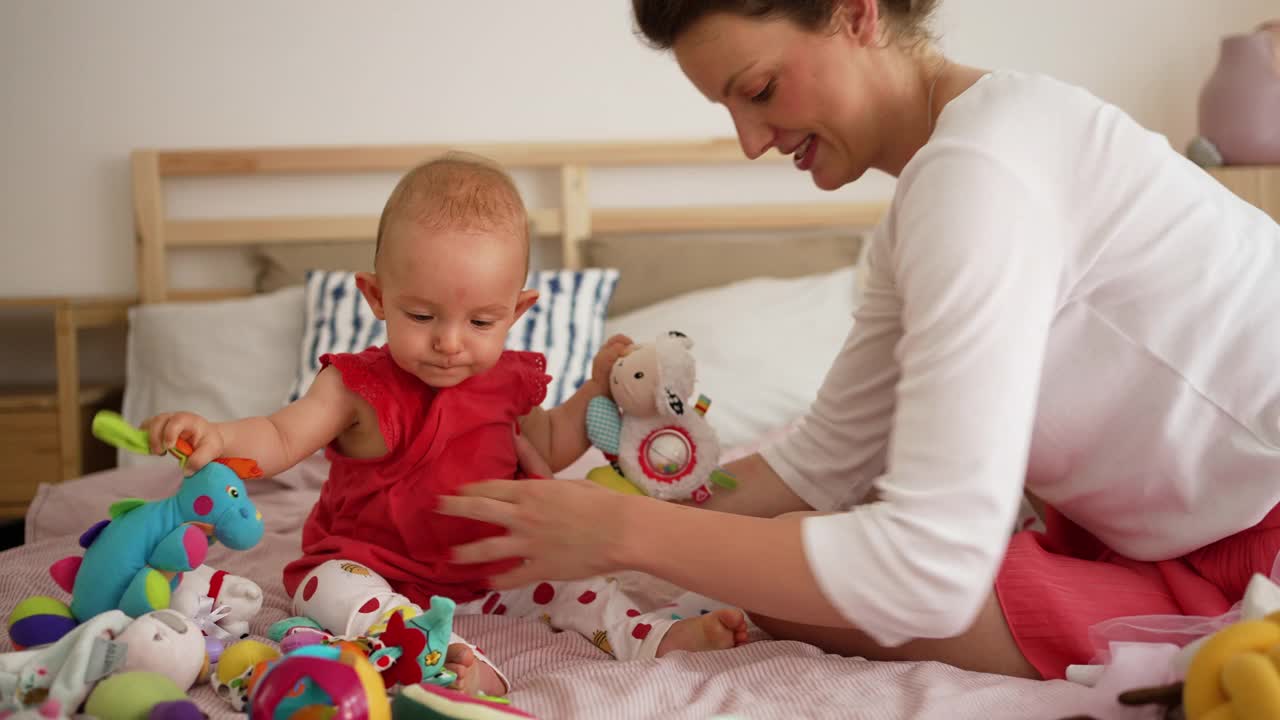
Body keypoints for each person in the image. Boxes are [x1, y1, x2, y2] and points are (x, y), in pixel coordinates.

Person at [437, 0, 1280, 681]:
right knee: (772, 573)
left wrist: (622, 538)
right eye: (730, 108)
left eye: (759, 89)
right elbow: (823, 459)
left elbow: (929, 569)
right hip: (1167, 542)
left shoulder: (982, 172)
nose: (749, 141)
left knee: (790, 573)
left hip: (1259, 532)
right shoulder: (933, 195)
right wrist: (603, 503)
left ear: (857, 13)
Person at [143, 153, 748, 698]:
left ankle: (653, 637)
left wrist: (595, 392)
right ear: (376, 297)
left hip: (490, 573)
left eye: (482, 321)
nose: (450, 343)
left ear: (517, 311)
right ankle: (438, 652)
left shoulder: (509, 381)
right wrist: (221, 437)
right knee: (323, 589)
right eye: (422, 314)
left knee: (576, 584)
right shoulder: (354, 385)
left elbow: (545, 447)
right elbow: (280, 437)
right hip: (373, 566)